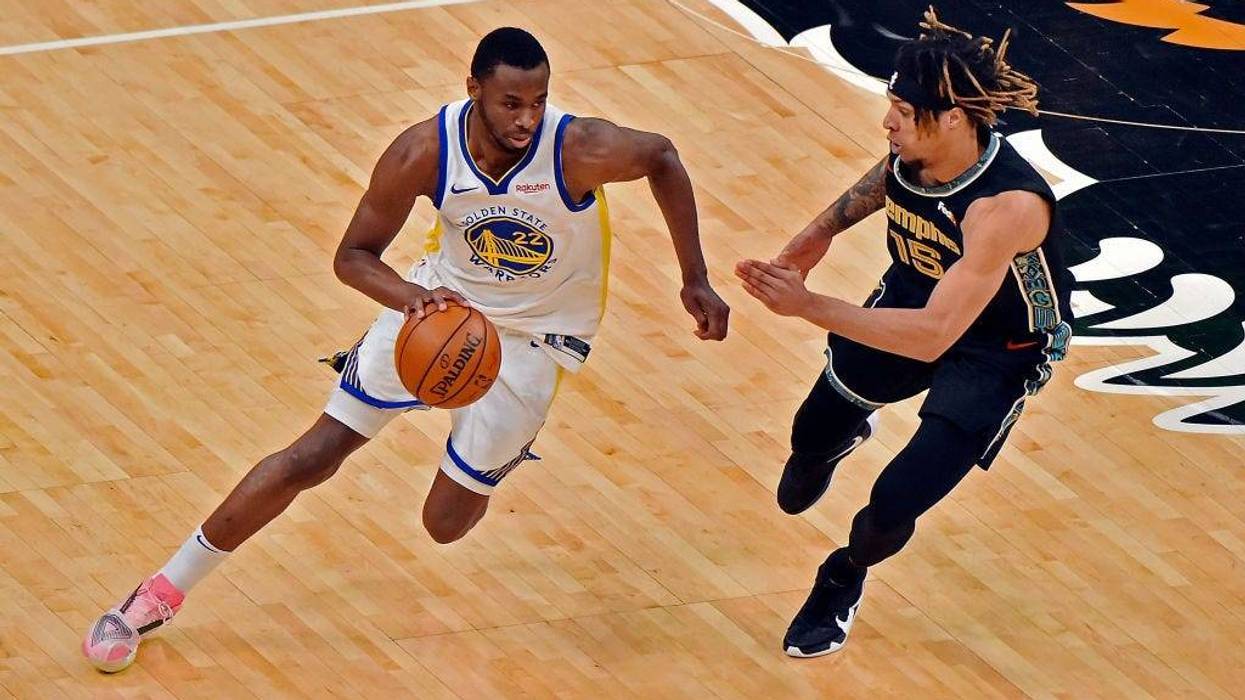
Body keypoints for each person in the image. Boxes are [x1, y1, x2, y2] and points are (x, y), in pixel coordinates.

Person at [83, 26, 729, 672]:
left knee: (443, 525)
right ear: (472, 88)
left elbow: (663, 157)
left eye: (539, 101)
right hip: (436, 308)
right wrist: (407, 300)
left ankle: (497, 450)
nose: (528, 119)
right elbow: (351, 257)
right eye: (511, 103)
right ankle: (159, 592)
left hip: (535, 340)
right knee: (312, 455)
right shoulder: (423, 152)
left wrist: (694, 276)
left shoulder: (576, 150)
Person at [735, 7, 1073, 658]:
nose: (885, 122)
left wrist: (806, 305)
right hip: (922, 287)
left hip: (996, 348)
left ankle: (842, 577)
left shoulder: (1007, 207)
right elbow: (882, 181)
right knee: (809, 438)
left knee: (892, 504)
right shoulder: (917, 147)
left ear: (952, 118)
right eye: (887, 105)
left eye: (899, 111)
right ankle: (833, 442)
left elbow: (932, 337)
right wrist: (812, 238)